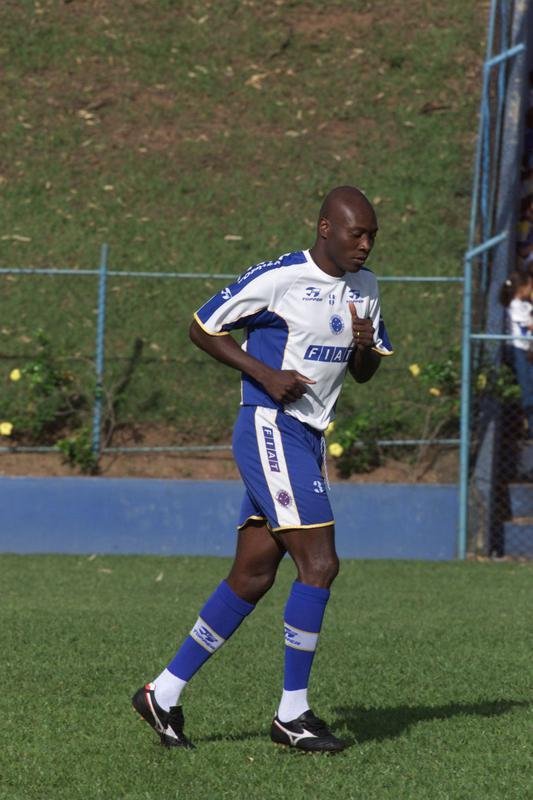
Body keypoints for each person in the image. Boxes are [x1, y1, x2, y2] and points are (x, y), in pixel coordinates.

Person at [132, 185, 393, 752]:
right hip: (270, 427)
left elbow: (367, 371)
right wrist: (264, 375)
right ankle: (291, 714)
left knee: (253, 573)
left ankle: (164, 693)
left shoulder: (365, 288)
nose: (366, 244)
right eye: (357, 233)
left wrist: (365, 347)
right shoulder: (280, 278)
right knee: (320, 564)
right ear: (325, 228)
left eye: (372, 235)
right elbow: (202, 326)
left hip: (309, 437)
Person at [499, 270, 533, 438]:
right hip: (519, 351)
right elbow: (529, 326)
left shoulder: (525, 305)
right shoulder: (515, 306)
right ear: (522, 288)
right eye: (530, 286)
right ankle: (529, 427)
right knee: (527, 389)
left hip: (528, 350)